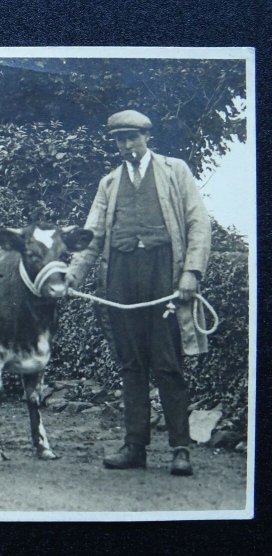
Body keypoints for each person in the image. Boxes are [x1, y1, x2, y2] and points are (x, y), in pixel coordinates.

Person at [66, 110, 211, 476]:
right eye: (120, 139)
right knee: (131, 365)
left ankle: (180, 448)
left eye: (133, 137)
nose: (127, 145)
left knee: (167, 363)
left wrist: (191, 272)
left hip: (164, 273)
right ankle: (135, 447)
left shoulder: (174, 170)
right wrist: (71, 276)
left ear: (147, 136)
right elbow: (93, 234)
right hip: (121, 277)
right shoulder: (109, 183)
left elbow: (198, 222)